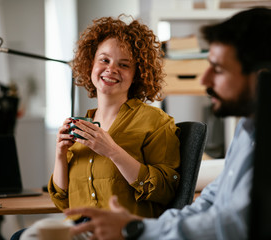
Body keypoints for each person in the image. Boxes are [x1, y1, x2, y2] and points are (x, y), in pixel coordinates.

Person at [64, 7, 271, 240]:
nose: (204, 79)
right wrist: (137, 227)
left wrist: (136, 230)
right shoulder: (247, 130)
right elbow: (209, 201)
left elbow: (232, 226)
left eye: (217, 69)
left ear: (261, 78)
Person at [48, 14, 181, 219]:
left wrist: (112, 151)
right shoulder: (80, 126)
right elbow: (63, 201)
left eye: (124, 65)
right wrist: (60, 154)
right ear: (90, 63)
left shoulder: (156, 122)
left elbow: (165, 191)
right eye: (104, 60)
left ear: (138, 74)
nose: (111, 69)